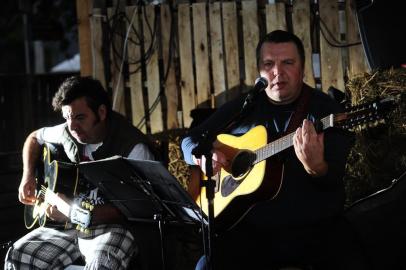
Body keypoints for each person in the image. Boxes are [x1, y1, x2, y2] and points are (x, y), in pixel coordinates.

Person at [181, 30, 367, 269]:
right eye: (269, 64)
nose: (277, 72)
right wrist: (203, 158)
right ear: (259, 70)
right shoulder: (247, 105)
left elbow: (337, 181)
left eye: (287, 63)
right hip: (249, 230)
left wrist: (317, 168)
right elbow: (190, 140)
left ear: (302, 67)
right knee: (207, 265)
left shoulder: (326, 113)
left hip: (309, 231)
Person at [5, 76, 158, 269]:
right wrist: (27, 176)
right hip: (68, 226)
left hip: (114, 228)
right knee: (17, 256)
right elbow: (34, 138)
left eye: (79, 117)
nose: (72, 126)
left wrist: (71, 213)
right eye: (67, 118)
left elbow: (141, 208)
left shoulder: (133, 147)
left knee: (101, 264)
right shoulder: (68, 132)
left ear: (101, 112)